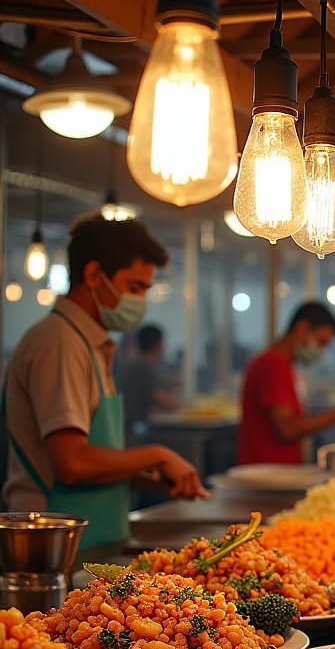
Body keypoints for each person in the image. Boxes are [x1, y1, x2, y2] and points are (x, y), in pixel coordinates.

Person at [2, 214, 206, 549]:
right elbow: (72, 463)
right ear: (94, 275)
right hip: (56, 545)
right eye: (134, 287)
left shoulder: (90, 344)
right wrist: (156, 454)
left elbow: (93, 460)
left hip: (94, 537)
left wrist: (149, 481)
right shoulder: (60, 343)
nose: (139, 302)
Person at [238, 302, 335, 465]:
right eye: (321, 342)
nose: (320, 350)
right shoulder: (272, 364)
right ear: (303, 329)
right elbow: (287, 429)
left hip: (277, 472)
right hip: (265, 475)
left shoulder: (284, 366)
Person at [117, 324, 180, 445]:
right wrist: (185, 408)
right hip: (131, 433)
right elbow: (162, 400)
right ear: (158, 345)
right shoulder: (142, 366)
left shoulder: (132, 361)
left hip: (124, 429)